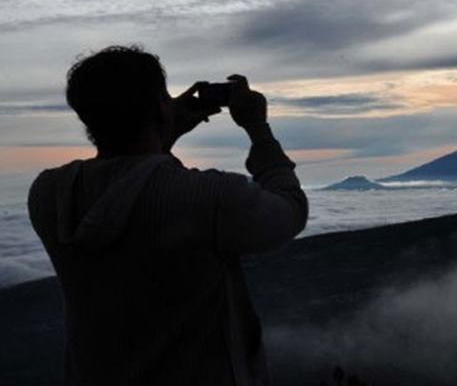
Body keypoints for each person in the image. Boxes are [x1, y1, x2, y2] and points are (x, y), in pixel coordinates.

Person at [27, 45, 308, 386]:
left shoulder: (48, 194)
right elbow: (290, 211)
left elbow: (128, 183)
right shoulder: (209, 198)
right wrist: (257, 128)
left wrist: (163, 128)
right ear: (160, 107)